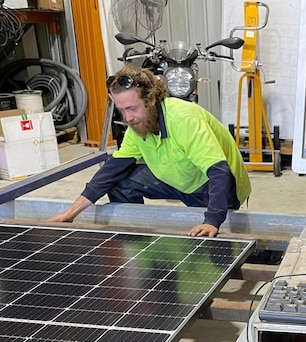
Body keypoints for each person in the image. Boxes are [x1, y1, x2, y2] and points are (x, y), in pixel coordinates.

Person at [49, 64, 251, 237]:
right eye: (122, 110)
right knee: (119, 182)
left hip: (213, 186)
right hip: (178, 178)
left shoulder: (184, 119)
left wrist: (212, 221)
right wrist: (70, 214)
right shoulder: (137, 127)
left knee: (212, 250)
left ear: (152, 100)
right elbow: (111, 171)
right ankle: (139, 241)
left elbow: (219, 172)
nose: (127, 118)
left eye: (132, 108)